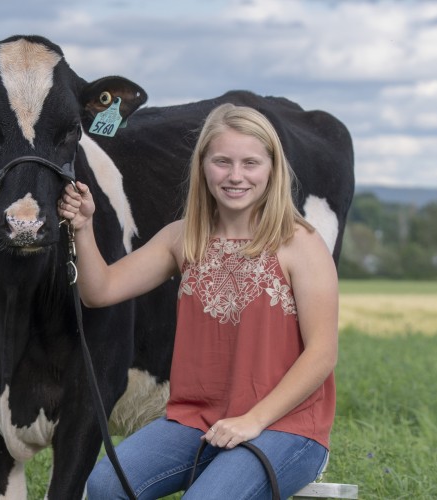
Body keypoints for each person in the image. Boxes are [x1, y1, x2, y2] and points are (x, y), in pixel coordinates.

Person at [59, 103, 339, 499]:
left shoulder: (301, 244)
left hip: (285, 428)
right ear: (203, 166)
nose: (236, 176)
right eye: (222, 161)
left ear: (272, 169)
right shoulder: (182, 237)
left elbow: (322, 354)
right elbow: (100, 290)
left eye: (251, 163)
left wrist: (252, 421)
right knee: (105, 485)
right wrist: (83, 228)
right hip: (195, 422)